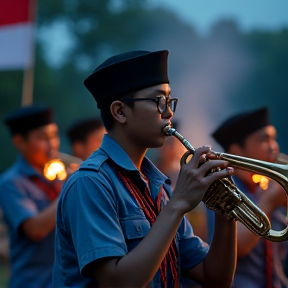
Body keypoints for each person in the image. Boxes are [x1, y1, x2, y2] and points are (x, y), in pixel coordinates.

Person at [53, 50, 237, 288]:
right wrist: (178, 204)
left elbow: (216, 278)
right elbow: (120, 282)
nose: (169, 112)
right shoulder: (90, 183)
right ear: (120, 111)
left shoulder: (159, 188)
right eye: (158, 101)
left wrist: (226, 211)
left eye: (170, 101)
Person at [210, 107, 287, 288]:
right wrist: (269, 202)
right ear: (237, 150)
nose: (274, 147)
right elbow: (237, 248)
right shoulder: (219, 191)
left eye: (273, 138)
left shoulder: (266, 188)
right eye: (264, 140)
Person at [0, 105, 64, 288]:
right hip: (33, 282)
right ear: (19, 141)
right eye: (43, 138)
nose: (52, 145)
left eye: (54, 136)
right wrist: (72, 188)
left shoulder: (61, 175)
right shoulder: (11, 183)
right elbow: (35, 229)